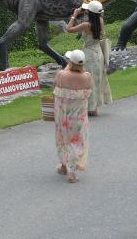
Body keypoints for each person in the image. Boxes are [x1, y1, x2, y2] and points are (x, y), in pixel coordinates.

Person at [65, 0, 112, 116]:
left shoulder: (86, 25)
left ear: (89, 13)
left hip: (89, 54)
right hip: (98, 53)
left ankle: (90, 108)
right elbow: (96, 14)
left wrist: (74, 15)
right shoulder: (100, 21)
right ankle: (94, 107)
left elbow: (69, 29)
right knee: (97, 80)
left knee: (87, 81)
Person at [53, 49, 91, 183]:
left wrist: (68, 66)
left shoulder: (61, 74)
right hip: (78, 115)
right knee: (76, 141)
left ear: (70, 62)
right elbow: (88, 90)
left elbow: (56, 85)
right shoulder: (86, 76)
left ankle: (65, 166)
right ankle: (71, 171)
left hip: (62, 114)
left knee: (63, 138)